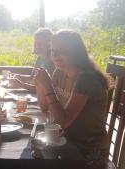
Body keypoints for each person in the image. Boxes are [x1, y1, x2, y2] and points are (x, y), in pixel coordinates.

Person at [34, 29, 109, 166]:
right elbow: (44, 107)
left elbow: (63, 121)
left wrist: (48, 86)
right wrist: (40, 84)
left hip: (89, 151)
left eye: (61, 51)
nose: (55, 55)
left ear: (76, 52)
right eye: (53, 50)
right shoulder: (60, 72)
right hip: (67, 141)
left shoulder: (87, 79)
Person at [9, 28, 55, 92]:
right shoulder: (40, 58)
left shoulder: (52, 62)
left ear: (50, 45)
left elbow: (43, 89)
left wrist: (20, 84)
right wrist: (19, 76)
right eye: (36, 43)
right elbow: (32, 78)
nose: (37, 46)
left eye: (41, 44)